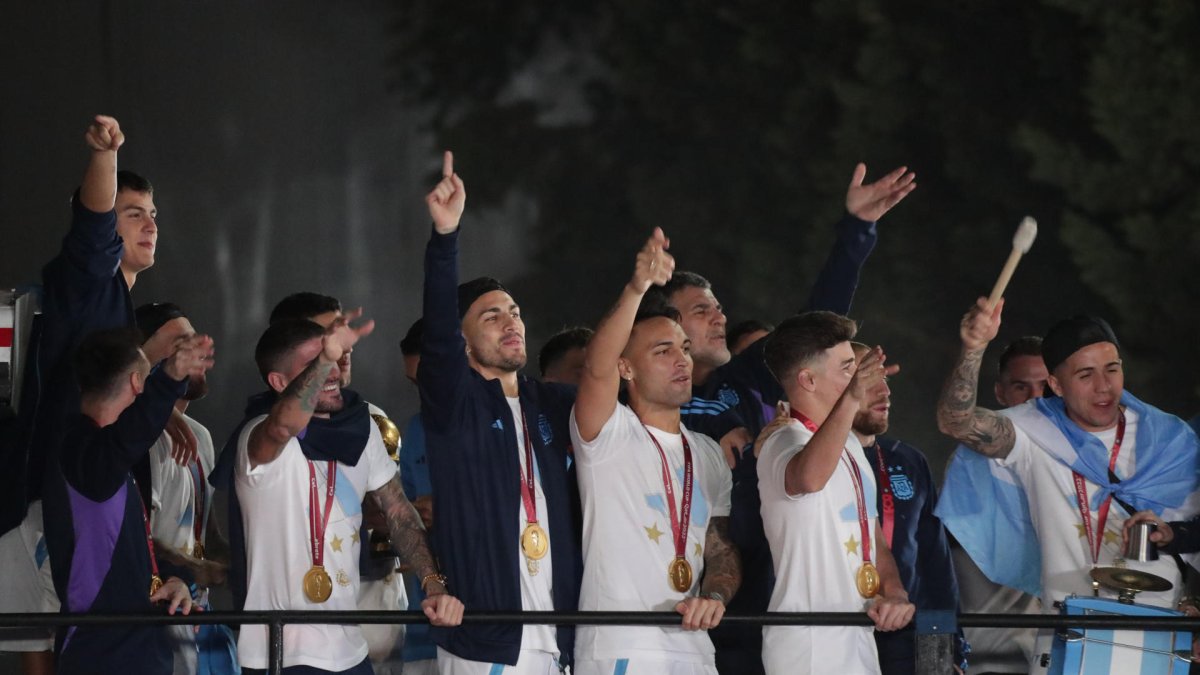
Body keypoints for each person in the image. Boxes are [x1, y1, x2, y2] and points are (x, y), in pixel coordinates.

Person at [649, 163, 916, 674]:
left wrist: (856, 234)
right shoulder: (634, 402)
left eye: (720, 306)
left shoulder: (750, 382)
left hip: (762, 574)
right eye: (702, 310)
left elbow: (812, 337)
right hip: (676, 585)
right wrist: (714, 428)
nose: (720, 317)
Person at [0, 116, 196, 675]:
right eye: (132, 214)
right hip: (50, 500)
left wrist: (158, 409)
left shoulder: (120, 313)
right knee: (69, 642)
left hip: (96, 500)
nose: (149, 224)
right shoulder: (89, 282)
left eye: (153, 214)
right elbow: (89, 235)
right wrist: (105, 159)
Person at [936, 301, 1200, 671]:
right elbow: (956, 422)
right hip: (1064, 631)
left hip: (1156, 633)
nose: (1104, 386)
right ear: (1057, 385)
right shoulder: (1035, 431)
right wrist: (974, 348)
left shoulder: (1172, 440)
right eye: (1085, 375)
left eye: (1112, 369)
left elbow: (1195, 536)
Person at [420, 151, 581, 673]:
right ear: (462, 341)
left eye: (514, 312)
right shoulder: (454, 403)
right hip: (485, 645)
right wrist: (445, 239)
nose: (511, 322)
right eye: (491, 316)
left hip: (561, 641)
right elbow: (438, 337)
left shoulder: (553, 404)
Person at [232, 315, 462, 674]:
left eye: (335, 357)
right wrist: (327, 359)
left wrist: (433, 584)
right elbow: (282, 425)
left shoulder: (363, 431)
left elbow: (399, 512)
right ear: (279, 382)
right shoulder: (258, 437)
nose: (334, 369)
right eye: (315, 362)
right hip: (278, 653)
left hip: (350, 651)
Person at [570, 229, 739, 674]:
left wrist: (715, 596)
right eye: (663, 351)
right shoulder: (607, 433)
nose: (682, 360)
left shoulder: (707, 454)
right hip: (620, 648)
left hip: (695, 648)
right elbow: (595, 366)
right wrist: (637, 288)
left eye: (684, 349)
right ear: (626, 367)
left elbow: (720, 549)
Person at [42, 326, 212, 674]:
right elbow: (125, 440)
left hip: (136, 648)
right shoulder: (81, 450)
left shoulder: (108, 456)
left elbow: (126, 548)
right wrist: (169, 379)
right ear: (138, 383)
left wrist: (171, 579)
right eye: (149, 379)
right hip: (102, 655)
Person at [757, 312, 913, 675]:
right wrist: (850, 399)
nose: (858, 378)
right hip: (808, 646)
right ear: (807, 380)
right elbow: (808, 480)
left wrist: (894, 592)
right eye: (847, 369)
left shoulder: (852, 448)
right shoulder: (783, 439)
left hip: (858, 637)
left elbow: (873, 538)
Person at [267, 292, 408, 674]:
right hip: (286, 634)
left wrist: (432, 579)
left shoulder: (371, 422)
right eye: (330, 340)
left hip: (370, 597)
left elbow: (396, 510)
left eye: (345, 339)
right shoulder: (264, 433)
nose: (343, 349)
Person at [848, 342, 965, 674]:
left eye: (884, 380)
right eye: (868, 381)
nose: (884, 392)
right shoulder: (808, 465)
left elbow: (935, 564)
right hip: (837, 633)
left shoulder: (907, 459)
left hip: (907, 640)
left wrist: (943, 655)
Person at [136, 302, 238, 675]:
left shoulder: (201, 436)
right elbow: (138, 538)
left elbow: (204, 535)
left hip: (199, 617)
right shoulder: (138, 440)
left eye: (195, 340)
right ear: (141, 362)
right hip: (156, 618)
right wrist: (201, 570)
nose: (196, 352)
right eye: (180, 344)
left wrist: (245, 561)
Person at [948, 336, 1045, 674]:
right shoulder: (980, 453)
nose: (1035, 398)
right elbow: (956, 422)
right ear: (1001, 393)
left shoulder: (1087, 457)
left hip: (1063, 650)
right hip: (987, 657)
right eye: (1021, 387)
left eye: (1045, 386)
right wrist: (973, 346)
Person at [398, 318, 437, 675]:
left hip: (486, 626)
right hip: (423, 627)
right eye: (414, 384)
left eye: (428, 380)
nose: (423, 393)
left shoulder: (507, 423)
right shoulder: (415, 429)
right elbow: (406, 508)